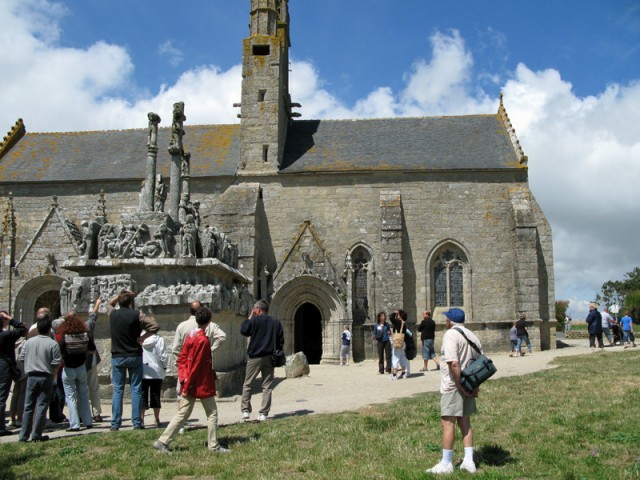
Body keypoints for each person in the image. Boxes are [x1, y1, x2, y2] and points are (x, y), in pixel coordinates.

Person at [153, 306, 230, 453]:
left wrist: (183, 377)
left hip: (190, 380)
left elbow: (182, 357)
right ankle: (213, 446)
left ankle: (163, 441)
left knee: (183, 413)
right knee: (212, 413)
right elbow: (197, 365)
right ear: (209, 322)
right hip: (199, 382)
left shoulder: (191, 336)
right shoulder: (202, 340)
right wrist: (188, 383)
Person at [427, 308, 481, 474]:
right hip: (469, 385)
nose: (445, 322)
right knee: (465, 422)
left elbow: (454, 363)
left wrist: (460, 386)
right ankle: (469, 461)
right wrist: (474, 387)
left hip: (454, 386)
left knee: (447, 423)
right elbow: (480, 365)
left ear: (450, 321)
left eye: (447, 319)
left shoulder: (451, 334)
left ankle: (446, 463)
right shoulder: (473, 336)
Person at [109, 290, 159, 431]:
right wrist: (144, 337)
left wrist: (121, 296)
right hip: (134, 354)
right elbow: (154, 326)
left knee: (118, 390)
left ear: (119, 301)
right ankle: (137, 422)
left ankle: (115, 423)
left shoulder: (112, 314)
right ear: (130, 302)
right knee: (136, 389)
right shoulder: (137, 315)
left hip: (118, 355)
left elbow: (110, 303)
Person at [18, 312, 62, 442]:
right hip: (46, 375)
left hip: (31, 375)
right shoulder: (52, 344)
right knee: (42, 405)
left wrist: (31, 363)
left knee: (28, 406)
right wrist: (49, 368)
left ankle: (23, 435)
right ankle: (36, 434)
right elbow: (56, 362)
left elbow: (21, 357)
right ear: (49, 330)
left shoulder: (29, 342)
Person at [240, 299, 284, 422]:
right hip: (270, 357)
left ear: (258, 310)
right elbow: (281, 340)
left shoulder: (254, 320)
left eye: (254, 309)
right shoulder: (276, 322)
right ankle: (263, 413)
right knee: (267, 386)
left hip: (255, 357)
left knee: (248, 383)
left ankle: (245, 410)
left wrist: (250, 317)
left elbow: (244, 330)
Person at [58, 311, 95, 432]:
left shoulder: (65, 336)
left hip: (68, 368)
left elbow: (60, 351)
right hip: (81, 367)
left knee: (71, 397)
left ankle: (75, 424)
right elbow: (92, 349)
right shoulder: (85, 334)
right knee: (84, 395)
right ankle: (88, 421)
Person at [0, 310, 27, 435]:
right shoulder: (6, 336)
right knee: (1, 397)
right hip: (4, 367)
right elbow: (22, 329)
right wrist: (10, 319)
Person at [141, 328, 169, 428]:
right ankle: (156, 419)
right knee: (155, 395)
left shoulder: (140, 339)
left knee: (142, 395)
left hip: (143, 370)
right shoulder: (159, 339)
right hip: (156, 370)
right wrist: (164, 366)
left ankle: (141, 419)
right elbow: (163, 356)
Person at [85, 298, 103, 422]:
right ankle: (96, 413)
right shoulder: (86, 327)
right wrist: (97, 304)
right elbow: (93, 317)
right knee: (94, 387)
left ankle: (82, 414)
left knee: (79, 389)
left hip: (73, 362)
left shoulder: (65, 330)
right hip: (89, 359)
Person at [390, 310, 411, 380]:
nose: (397, 315)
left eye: (398, 314)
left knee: (395, 358)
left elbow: (391, 318)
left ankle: (394, 375)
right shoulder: (404, 323)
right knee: (402, 358)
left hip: (397, 342)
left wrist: (394, 312)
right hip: (403, 342)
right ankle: (404, 373)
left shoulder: (398, 322)